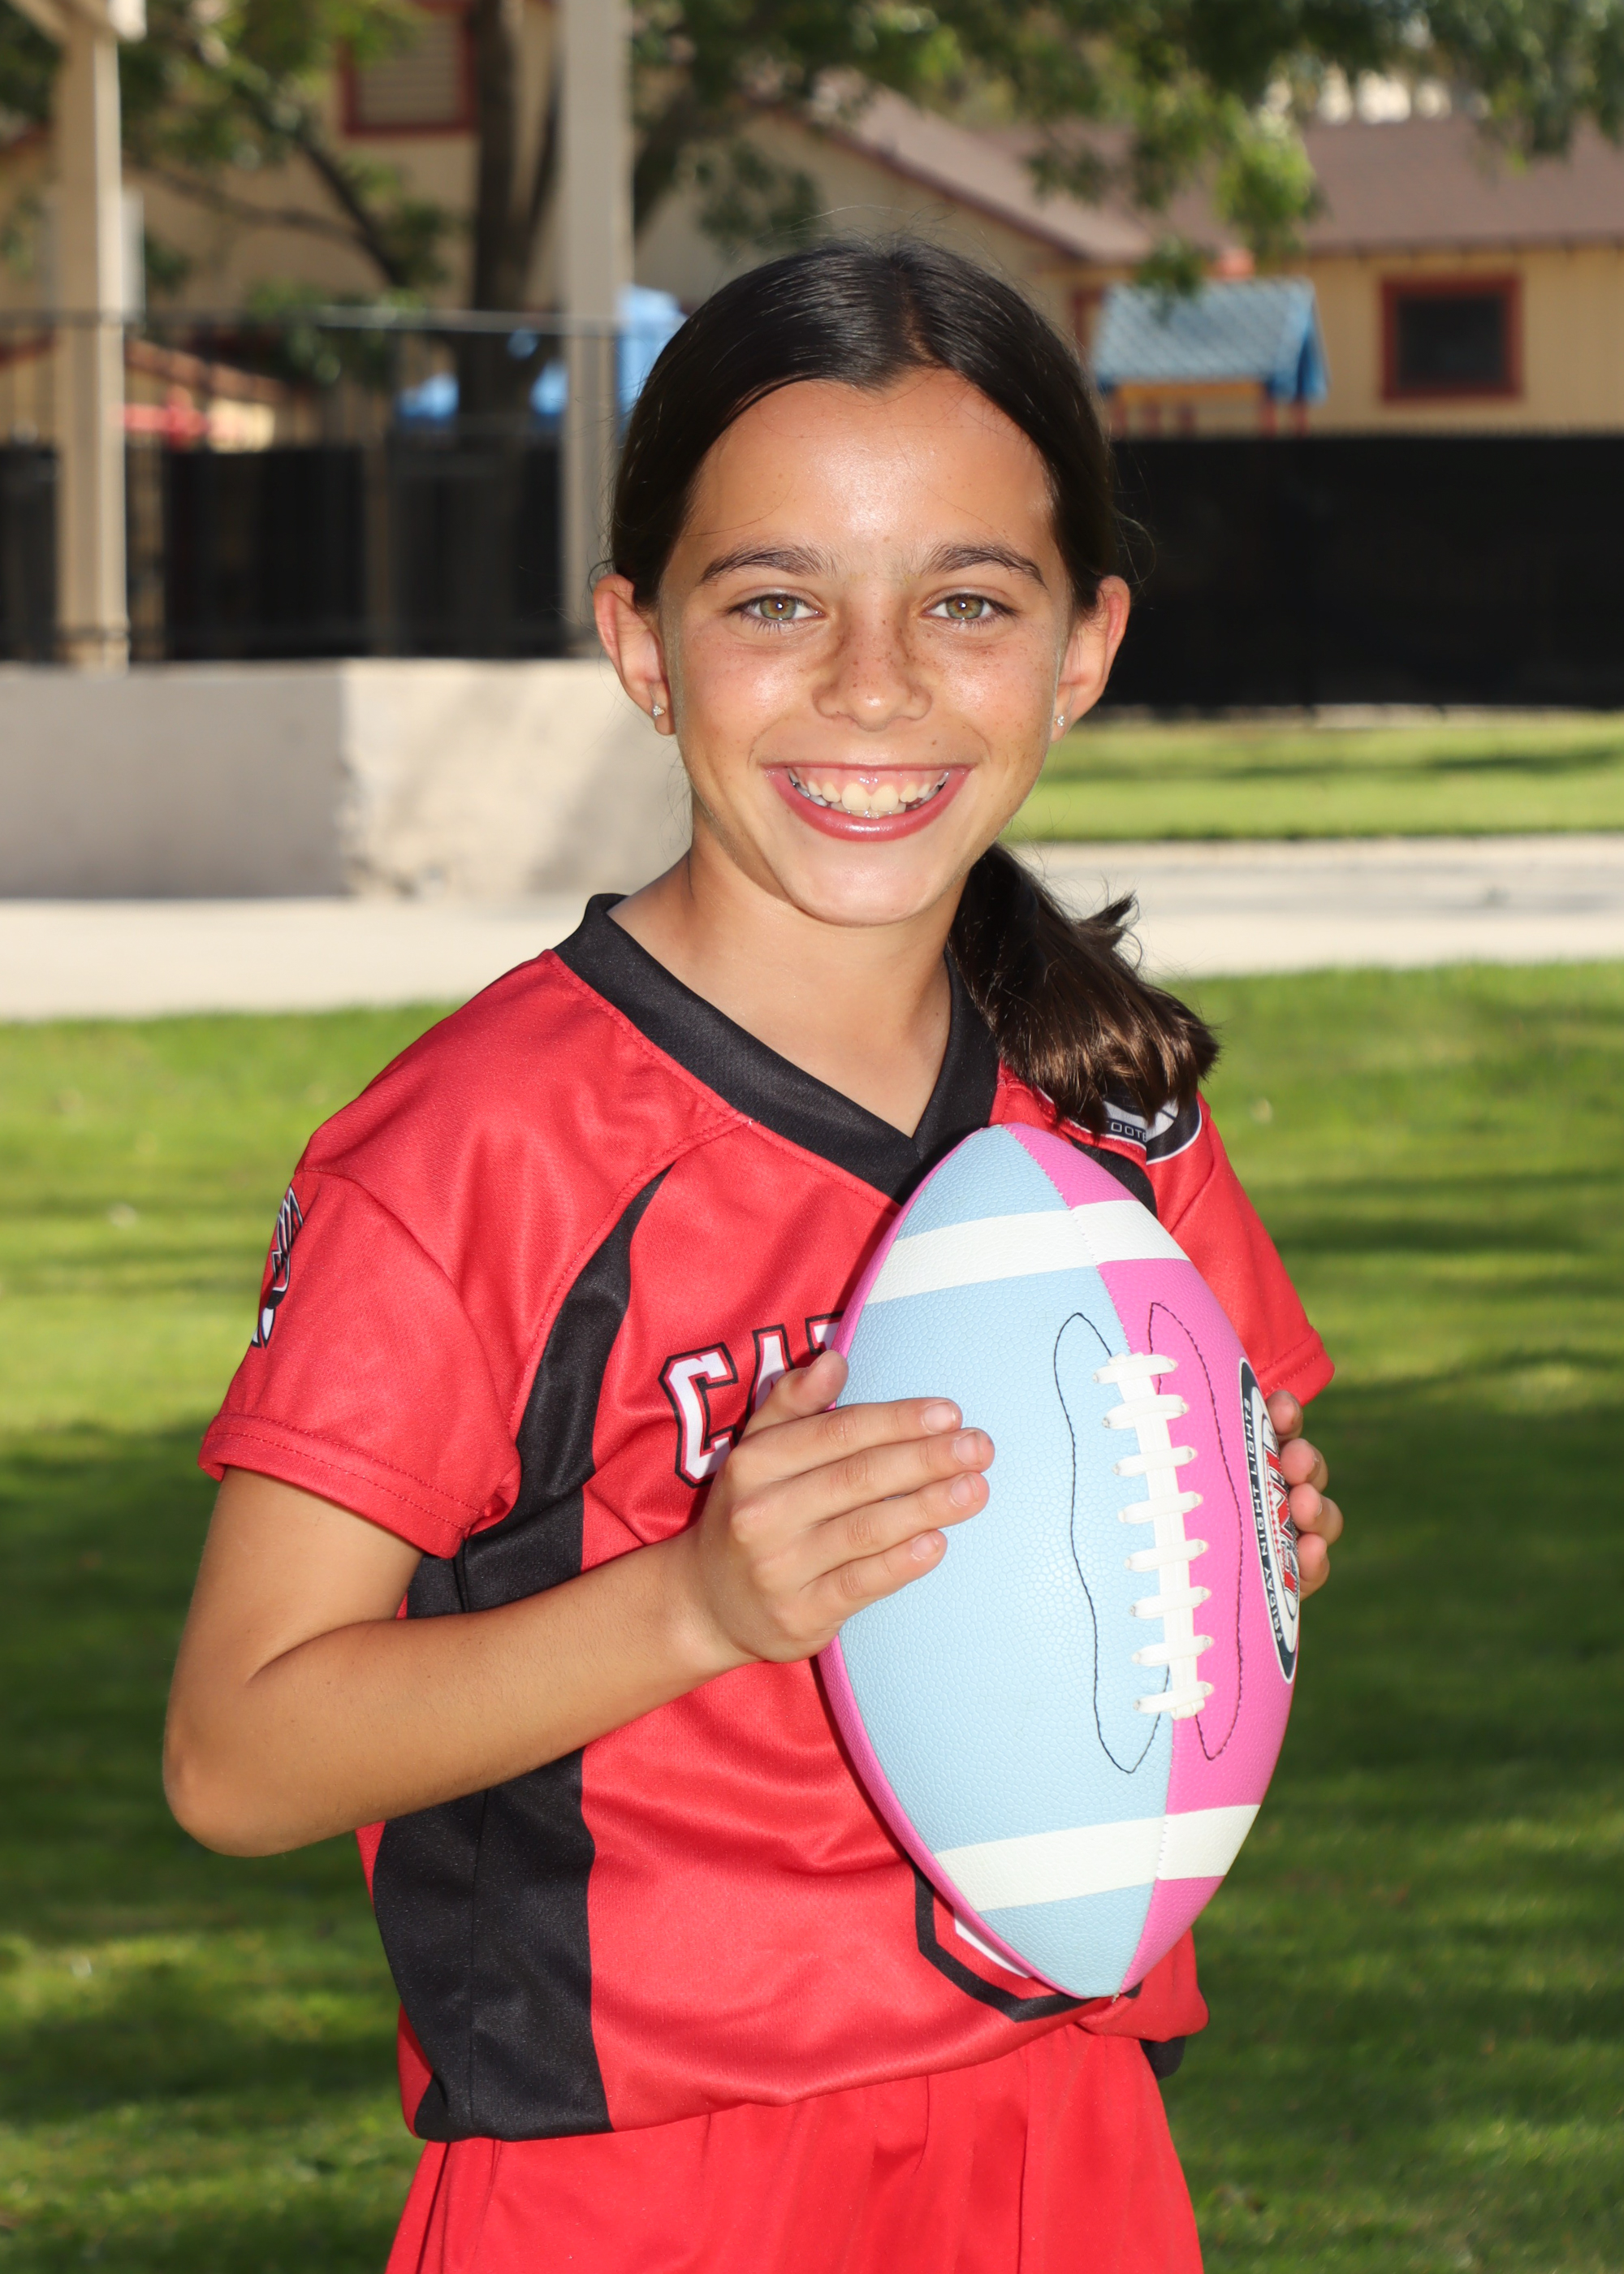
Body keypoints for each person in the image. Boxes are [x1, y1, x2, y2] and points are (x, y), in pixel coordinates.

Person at [165, 240, 1342, 2274]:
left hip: (1065, 2125)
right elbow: (237, 1752)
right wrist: (700, 1600)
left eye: (967, 601)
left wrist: (1244, 1534)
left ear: (1083, 646)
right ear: (640, 642)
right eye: (776, 600)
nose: (873, 682)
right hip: (645, 2178)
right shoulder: (476, 1151)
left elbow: (1180, 1549)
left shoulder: (1107, 1097)